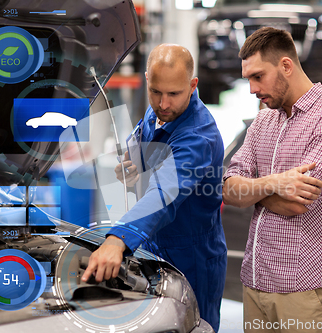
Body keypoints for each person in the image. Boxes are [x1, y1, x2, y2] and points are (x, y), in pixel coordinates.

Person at [82, 44, 227, 331]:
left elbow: (165, 191)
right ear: (148, 79)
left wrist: (117, 239)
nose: (163, 103)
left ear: (192, 85)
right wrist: (132, 169)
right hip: (151, 244)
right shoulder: (156, 113)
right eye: (156, 92)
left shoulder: (198, 135)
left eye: (173, 94)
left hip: (192, 255)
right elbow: (139, 149)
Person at [222, 27, 322, 332]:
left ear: (286, 65)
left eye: (258, 76)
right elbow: (229, 190)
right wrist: (276, 183)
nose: (252, 89)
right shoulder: (263, 121)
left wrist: (253, 191)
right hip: (255, 283)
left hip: (303, 289)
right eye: (248, 79)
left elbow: (296, 202)